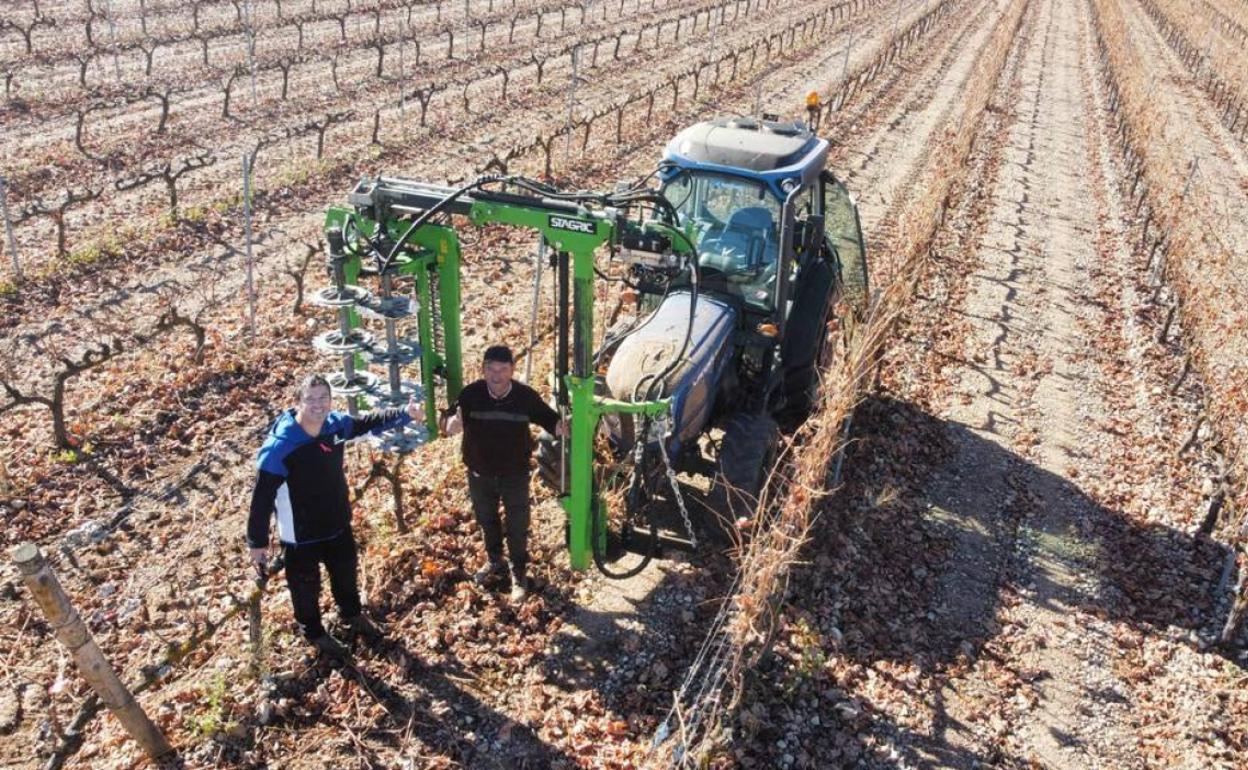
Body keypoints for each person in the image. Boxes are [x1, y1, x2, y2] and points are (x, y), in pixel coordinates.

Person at [246, 374, 420, 658]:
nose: (318, 405)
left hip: (337, 523)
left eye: (323, 398)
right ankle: (313, 632)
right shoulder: (280, 448)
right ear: (297, 402)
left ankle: (352, 615)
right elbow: (262, 498)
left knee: (345, 572)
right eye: (310, 399)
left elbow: (366, 423)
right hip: (300, 535)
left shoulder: (334, 426)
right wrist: (257, 542)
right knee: (305, 587)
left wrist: (404, 414)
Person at [440, 345, 566, 601]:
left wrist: (567, 425)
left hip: (514, 475)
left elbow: (551, 421)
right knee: (487, 520)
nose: (496, 376)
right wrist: (449, 425)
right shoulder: (471, 394)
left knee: (518, 526)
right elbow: (447, 420)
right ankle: (495, 560)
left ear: (512, 371)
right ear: (483, 370)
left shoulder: (525, 397)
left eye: (502, 370)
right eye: (491, 369)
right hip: (479, 473)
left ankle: (518, 573)